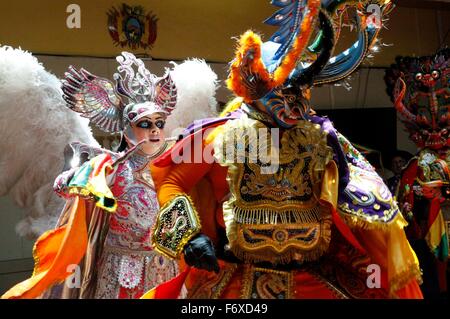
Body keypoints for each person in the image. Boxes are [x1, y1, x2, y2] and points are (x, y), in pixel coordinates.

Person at [148, 0, 423, 299]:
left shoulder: (319, 136)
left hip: (313, 273)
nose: (295, 107)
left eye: (301, 94)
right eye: (284, 93)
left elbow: (350, 196)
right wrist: (189, 236)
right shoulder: (219, 136)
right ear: (256, 87)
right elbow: (172, 182)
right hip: (240, 277)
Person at [1, 52, 217, 299]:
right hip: (120, 276)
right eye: (145, 124)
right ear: (127, 130)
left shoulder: (169, 170)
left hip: (163, 273)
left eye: (159, 123)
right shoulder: (110, 170)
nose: (156, 131)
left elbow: (174, 220)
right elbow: (64, 187)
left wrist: (192, 241)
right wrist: (79, 176)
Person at [385, 48, 450, 298]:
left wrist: (442, 192)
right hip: (424, 235)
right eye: (424, 130)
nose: (433, 134)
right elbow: (405, 201)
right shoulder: (415, 164)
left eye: (442, 130)